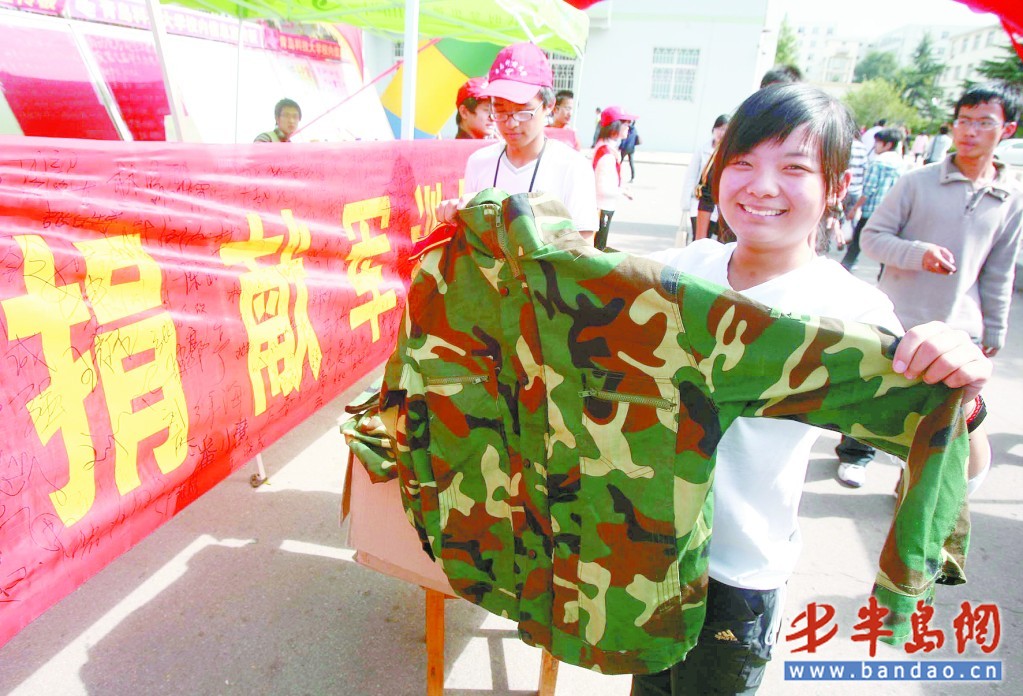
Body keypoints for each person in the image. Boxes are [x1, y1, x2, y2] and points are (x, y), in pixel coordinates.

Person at [631, 83, 991, 696]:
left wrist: (965, 397)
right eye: (742, 162)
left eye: (794, 168)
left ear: (836, 187)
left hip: (737, 578)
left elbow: (961, 466)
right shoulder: (678, 271)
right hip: (644, 556)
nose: (761, 186)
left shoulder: (849, 311)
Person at [860, 82, 1021, 489]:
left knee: (935, 423)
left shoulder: (1010, 199)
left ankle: (908, 486)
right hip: (897, 322)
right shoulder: (917, 182)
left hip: (957, 330)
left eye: (983, 122)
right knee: (869, 402)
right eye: (963, 121)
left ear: (1008, 130)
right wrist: (918, 253)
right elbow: (872, 238)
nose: (969, 131)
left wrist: (994, 329)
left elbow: (999, 271)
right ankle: (855, 455)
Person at [436, 42, 598, 237]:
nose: (511, 123)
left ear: (549, 105)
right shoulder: (479, 163)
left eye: (523, 112)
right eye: (500, 111)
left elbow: (583, 248)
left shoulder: (573, 168)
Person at [841, 127, 904, 271]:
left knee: (857, 241)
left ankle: (846, 267)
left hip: (871, 210)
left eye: (878, 142)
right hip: (890, 211)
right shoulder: (900, 163)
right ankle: (884, 273)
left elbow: (868, 190)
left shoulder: (878, 163)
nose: (875, 146)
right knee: (884, 244)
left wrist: (855, 208)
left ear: (887, 145)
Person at [680, 114, 728, 245]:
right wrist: (686, 201)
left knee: (711, 242)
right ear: (713, 129)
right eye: (719, 129)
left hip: (717, 205)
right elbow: (691, 175)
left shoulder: (728, 153)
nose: (721, 133)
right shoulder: (703, 149)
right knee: (698, 240)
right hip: (700, 200)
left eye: (725, 130)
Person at [592, 105, 636, 250]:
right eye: (626, 124)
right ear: (615, 126)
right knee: (597, 248)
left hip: (603, 206)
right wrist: (622, 191)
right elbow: (602, 188)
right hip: (601, 207)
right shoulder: (606, 153)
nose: (629, 127)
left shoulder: (606, 148)